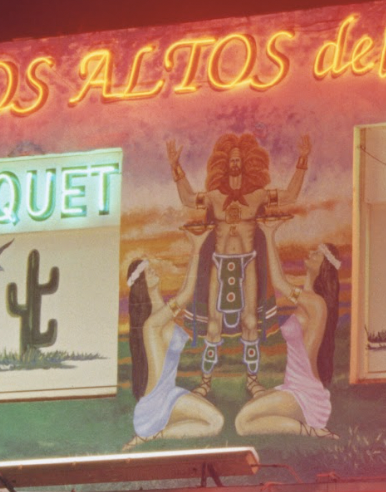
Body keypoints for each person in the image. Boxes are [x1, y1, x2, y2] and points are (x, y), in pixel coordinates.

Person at [166, 132, 311, 400]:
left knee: (250, 321)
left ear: (246, 163)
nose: (234, 163)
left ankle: (253, 382)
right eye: (230, 160)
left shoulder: (257, 196)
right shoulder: (214, 197)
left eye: (238, 159)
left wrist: (302, 159)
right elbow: (187, 199)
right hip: (219, 266)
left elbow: (290, 195)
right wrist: (176, 167)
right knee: (213, 325)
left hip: (248, 266)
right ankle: (205, 383)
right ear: (223, 164)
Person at [235, 233, 340, 437]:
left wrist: (269, 234)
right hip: (293, 386)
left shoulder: (316, 303)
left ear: (324, 266)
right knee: (252, 409)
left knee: (242, 422)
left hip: (304, 393)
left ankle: (311, 431)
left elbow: (279, 283)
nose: (311, 252)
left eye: (318, 253)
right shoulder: (307, 300)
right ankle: (295, 420)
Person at [122, 257, 224, 451]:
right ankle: (154, 435)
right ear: (142, 284)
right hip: (155, 406)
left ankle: (155, 434)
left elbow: (183, 291)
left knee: (215, 422)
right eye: (147, 271)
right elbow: (186, 294)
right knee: (216, 422)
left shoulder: (160, 312)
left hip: (168, 396)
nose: (152, 271)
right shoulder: (151, 324)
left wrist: (196, 248)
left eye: (150, 269)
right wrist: (197, 245)